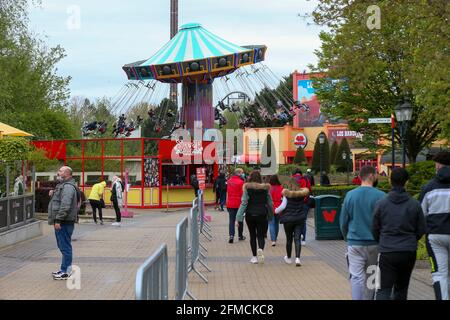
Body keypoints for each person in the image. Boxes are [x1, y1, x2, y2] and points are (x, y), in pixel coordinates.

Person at [372, 168, 426, 300]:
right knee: (401, 288)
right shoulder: (414, 204)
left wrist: (382, 240)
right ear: (406, 182)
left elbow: (374, 227)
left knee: (383, 288)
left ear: (390, 181)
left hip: (387, 250)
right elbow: (421, 229)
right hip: (408, 250)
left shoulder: (381, 203)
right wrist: (412, 239)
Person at [340, 165, 386, 300]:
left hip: (355, 242)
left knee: (356, 276)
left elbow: (343, 221)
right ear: (373, 176)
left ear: (361, 177)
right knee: (372, 276)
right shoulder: (382, 196)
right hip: (375, 243)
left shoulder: (350, 195)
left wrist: (347, 237)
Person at [419, 151, 450, 300]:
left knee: (440, 273)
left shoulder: (428, 187)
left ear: (438, 165)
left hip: (435, 236)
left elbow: (420, 215)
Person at [48, 166, 78, 280]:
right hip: (63, 221)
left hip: (64, 221)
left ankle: (66, 271)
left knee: (65, 246)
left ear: (67, 173)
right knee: (63, 246)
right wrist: (53, 193)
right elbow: (61, 200)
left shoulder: (68, 187)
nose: (58, 172)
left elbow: (65, 205)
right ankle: (63, 269)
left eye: (60, 171)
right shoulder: (63, 186)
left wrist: (59, 220)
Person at [237, 170, 274, 264]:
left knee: (252, 235)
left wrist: (239, 217)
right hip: (262, 214)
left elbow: (244, 203)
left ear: (250, 178)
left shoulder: (247, 188)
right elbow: (270, 203)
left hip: (250, 214)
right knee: (261, 235)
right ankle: (260, 249)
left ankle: (254, 257)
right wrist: (270, 215)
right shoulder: (265, 188)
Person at [276, 178, 310, 266]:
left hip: (288, 220)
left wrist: (276, 210)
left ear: (290, 186)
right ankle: (298, 258)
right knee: (297, 238)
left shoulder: (287, 195)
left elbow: (283, 206)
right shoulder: (302, 195)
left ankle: (288, 257)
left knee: (289, 239)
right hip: (299, 219)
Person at [291, 168, 312, 245]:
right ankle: (304, 240)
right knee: (303, 221)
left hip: (294, 203)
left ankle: (297, 236)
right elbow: (309, 189)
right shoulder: (305, 179)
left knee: (294, 219)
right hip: (304, 202)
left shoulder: (292, 179)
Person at [226, 168, 246, 244]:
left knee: (231, 220)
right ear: (240, 173)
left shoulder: (229, 181)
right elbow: (243, 194)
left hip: (230, 203)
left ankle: (231, 236)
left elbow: (227, 192)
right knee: (240, 219)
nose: (243, 174)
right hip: (239, 204)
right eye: (242, 173)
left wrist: (226, 202)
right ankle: (240, 236)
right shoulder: (241, 182)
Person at [269, 174, 283, 246]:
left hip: (271, 207)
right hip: (279, 207)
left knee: (271, 224)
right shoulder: (281, 187)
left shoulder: (269, 188)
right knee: (276, 224)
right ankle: (275, 237)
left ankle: (273, 240)